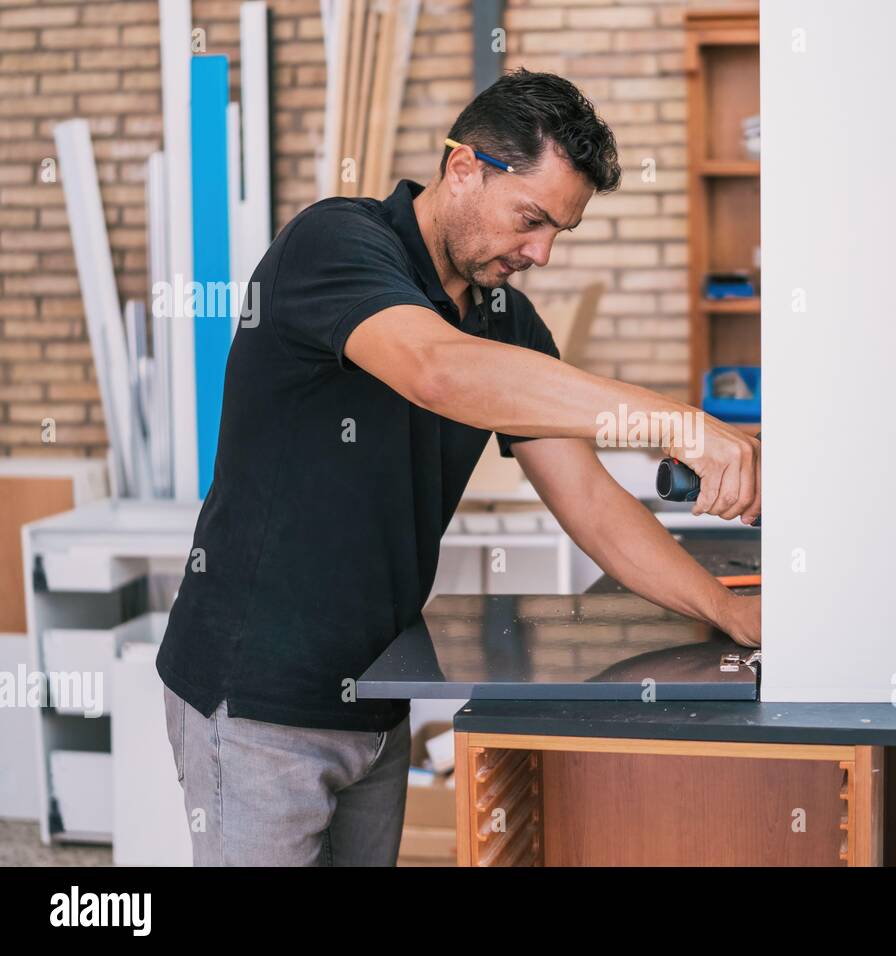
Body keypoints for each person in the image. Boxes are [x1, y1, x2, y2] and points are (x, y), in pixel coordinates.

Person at [156, 68, 761, 865]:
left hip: (372, 697)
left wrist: (727, 612)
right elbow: (437, 369)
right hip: (260, 699)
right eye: (532, 219)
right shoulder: (337, 243)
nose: (540, 252)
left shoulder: (506, 319)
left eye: (558, 233)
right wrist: (676, 422)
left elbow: (589, 501)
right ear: (465, 166)